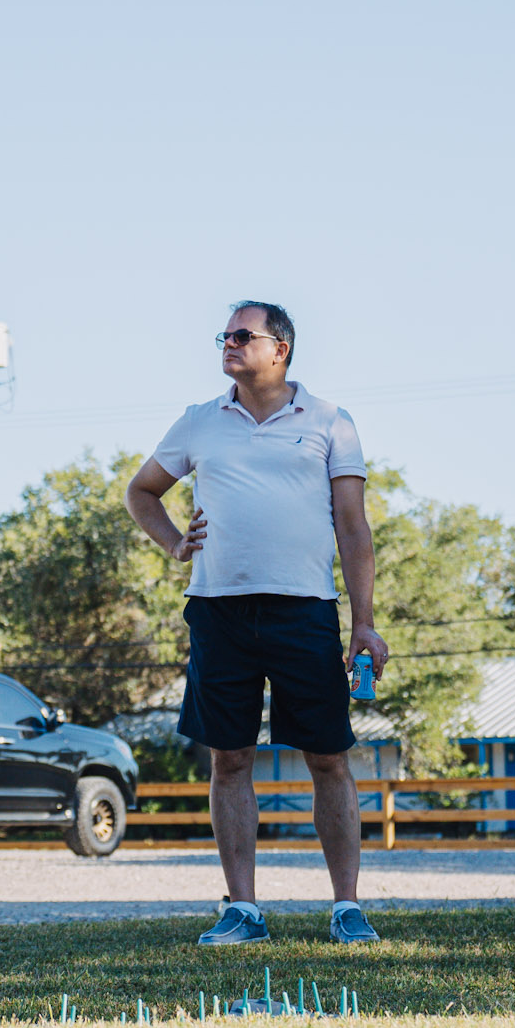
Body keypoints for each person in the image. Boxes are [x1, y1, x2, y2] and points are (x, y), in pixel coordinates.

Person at [124, 301, 389, 947]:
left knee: (328, 757)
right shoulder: (199, 421)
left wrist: (365, 622)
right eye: (226, 335)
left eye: (244, 335)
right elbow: (141, 492)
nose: (230, 343)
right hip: (218, 610)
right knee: (229, 759)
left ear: (281, 349)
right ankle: (242, 908)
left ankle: (346, 908)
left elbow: (353, 527)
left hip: (304, 608)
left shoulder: (330, 420)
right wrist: (173, 543)